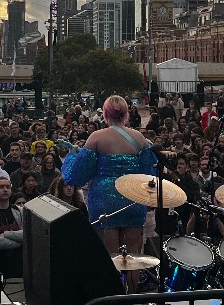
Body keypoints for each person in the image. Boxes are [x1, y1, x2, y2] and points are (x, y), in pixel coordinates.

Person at [62, 95, 159, 256]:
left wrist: (72, 155)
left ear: (105, 114)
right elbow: (149, 174)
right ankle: (130, 282)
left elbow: (76, 177)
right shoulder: (140, 138)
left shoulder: (96, 138)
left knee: (109, 256)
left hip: (103, 202)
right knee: (133, 256)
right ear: (126, 113)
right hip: (133, 200)